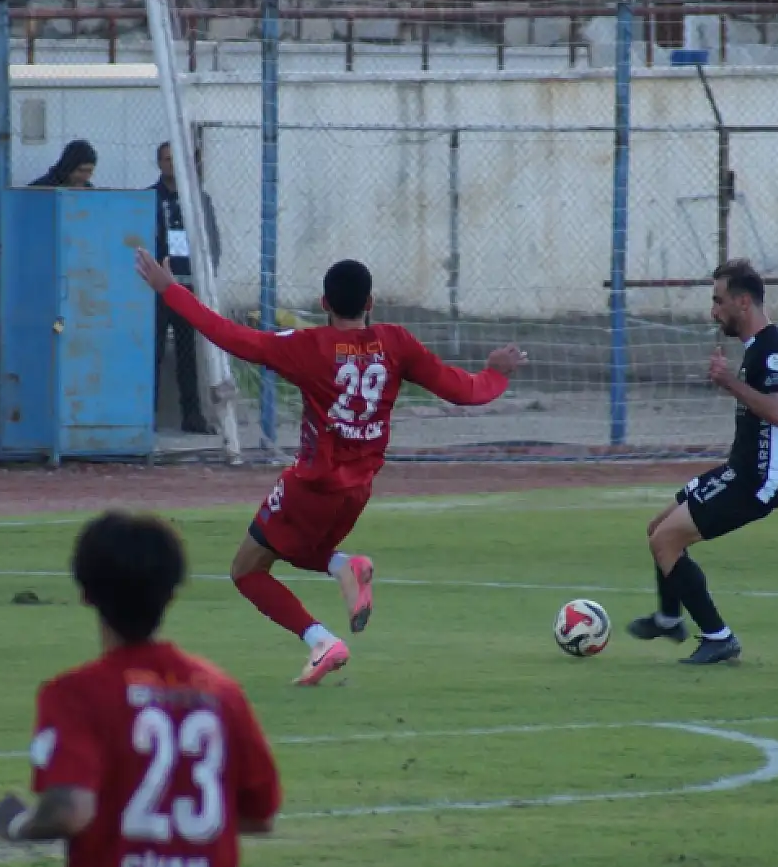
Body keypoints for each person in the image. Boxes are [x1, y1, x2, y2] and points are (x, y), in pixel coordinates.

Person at [135, 248, 528, 686]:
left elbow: (231, 336)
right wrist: (496, 373)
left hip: (312, 485)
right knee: (298, 552)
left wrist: (170, 291)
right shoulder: (397, 343)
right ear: (371, 303)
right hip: (358, 491)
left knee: (246, 571)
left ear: (323, 304)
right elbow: (463, 391)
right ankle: (344, 568)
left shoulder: (308, 348)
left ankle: (322, 639)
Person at [0, 510, 281, 867]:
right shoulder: (220, 693)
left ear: (85, 594)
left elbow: (71, 809)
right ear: (171, 594)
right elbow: (259, 814)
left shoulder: (77, 694)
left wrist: (19, 823)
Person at [627, 259, 778, 665]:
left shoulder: (773, 354)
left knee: (666, 541)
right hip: (742, 470)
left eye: (718, 301)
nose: (713, 311)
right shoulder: (765, 348)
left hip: (754, 482)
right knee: (658, 527)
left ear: (742, 302)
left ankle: (718, 636)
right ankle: (668, 618)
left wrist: (730, 383)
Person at [149, 141, 221, 435]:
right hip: (157, 286)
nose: (171, 165)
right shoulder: (149, 198)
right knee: (151, 351)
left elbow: (211, 240)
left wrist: (207, 276)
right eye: (166, 159)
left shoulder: (198, 199)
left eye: (176, 159)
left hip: (188, 284)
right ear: (159, 163)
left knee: (187, 353)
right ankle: (146, 415)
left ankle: (192, 416)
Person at [30, 139, 98, 188]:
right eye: (81, 171)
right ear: (68, 168)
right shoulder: (42, 188)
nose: (85, 176)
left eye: (90, 171)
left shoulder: (88, 189)